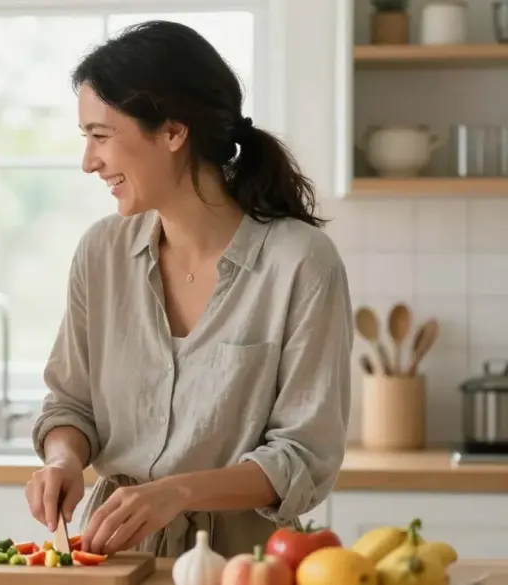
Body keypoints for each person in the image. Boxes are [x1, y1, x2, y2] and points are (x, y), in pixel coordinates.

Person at [25, 20, 352, 558]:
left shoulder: (300, 264)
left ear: (173, 133)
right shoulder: (101, 253)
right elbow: (70, 404)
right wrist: (62, 460)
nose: (89, 162)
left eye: (100, 136)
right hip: (113, 557)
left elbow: (304, 455)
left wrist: (176, 493)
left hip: (245, 565)